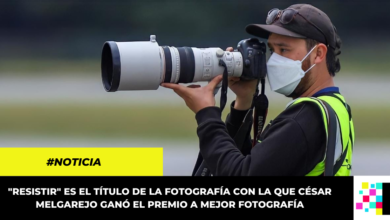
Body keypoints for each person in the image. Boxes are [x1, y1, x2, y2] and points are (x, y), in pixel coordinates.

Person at [161, 3, 355, 176]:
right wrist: (243, 103)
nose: (274, 60)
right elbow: (251, 162)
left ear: (318, 54)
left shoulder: (303, 118)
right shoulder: (336, 107)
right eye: (272, 50)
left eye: (284, 50)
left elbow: (240, 173)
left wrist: (206, 115)